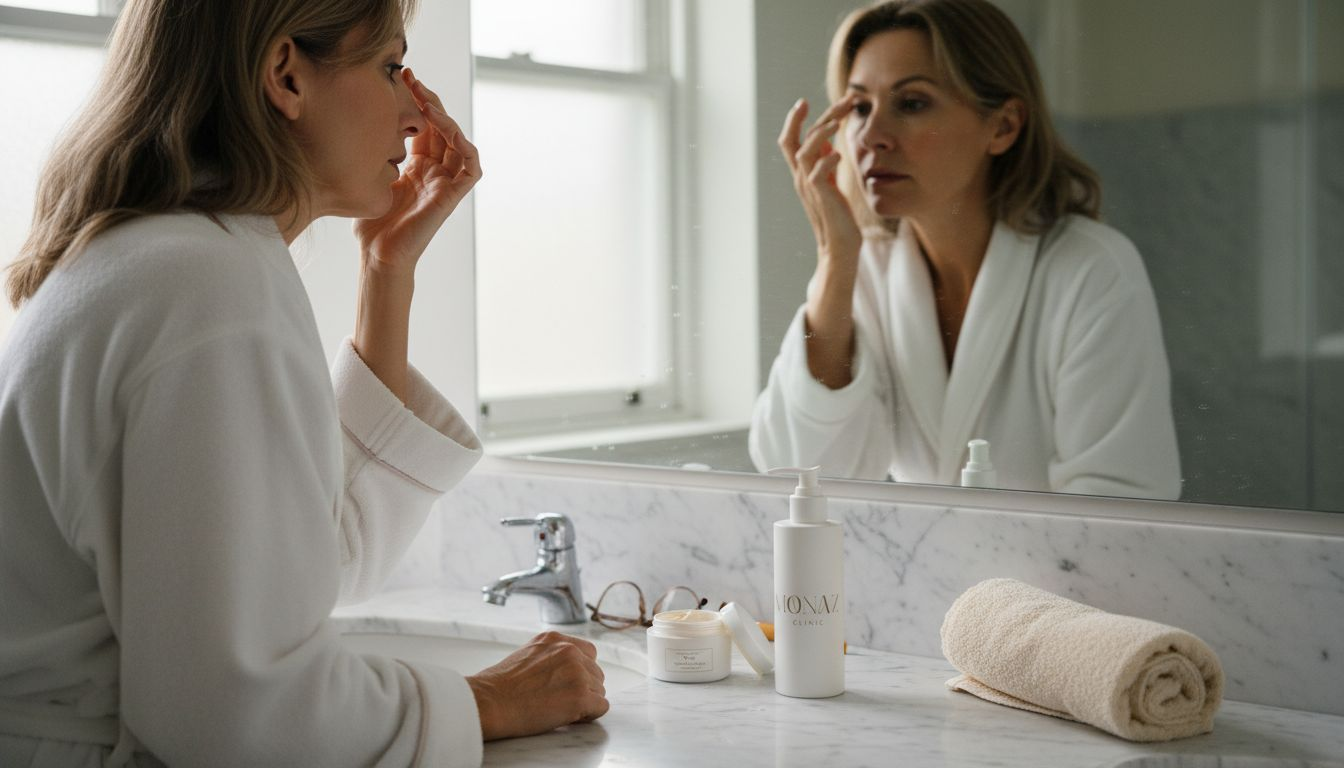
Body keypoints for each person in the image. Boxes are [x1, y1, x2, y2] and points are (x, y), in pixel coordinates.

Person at [0, 0, 606, 765]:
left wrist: (387, 274)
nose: (418, 115)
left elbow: (311, 563)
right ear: (285, 75)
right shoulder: (206, 287)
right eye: (392, 67)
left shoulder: (163, 260)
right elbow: (236, 709)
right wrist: (487, 701)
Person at [748, 0, 1181, 500]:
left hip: (1057, 581)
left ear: (1003, 127)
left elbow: (1122, 514)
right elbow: (800, 475)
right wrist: (835, 258)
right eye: (860, 107)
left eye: (911, 103)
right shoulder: (867, 272)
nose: (871, 136)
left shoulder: (1090, 270)